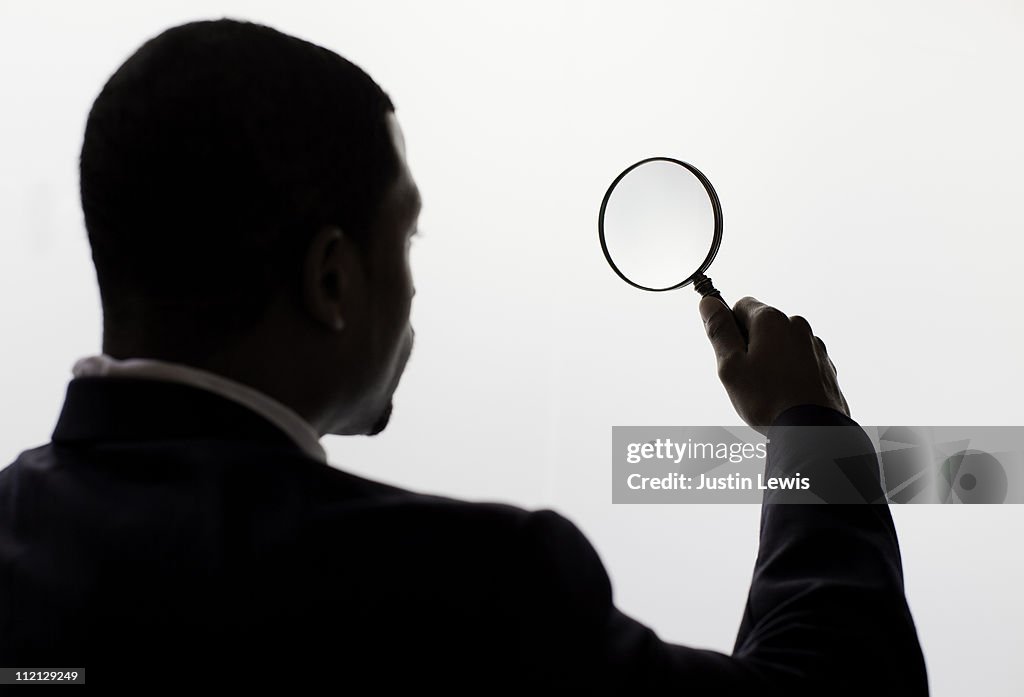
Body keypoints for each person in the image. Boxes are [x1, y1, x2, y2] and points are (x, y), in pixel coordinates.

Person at [0, 18, 927, 694]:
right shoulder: (473, 591)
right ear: (333, 279)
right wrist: (809, 429)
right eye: (407, 239)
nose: (412, 285)